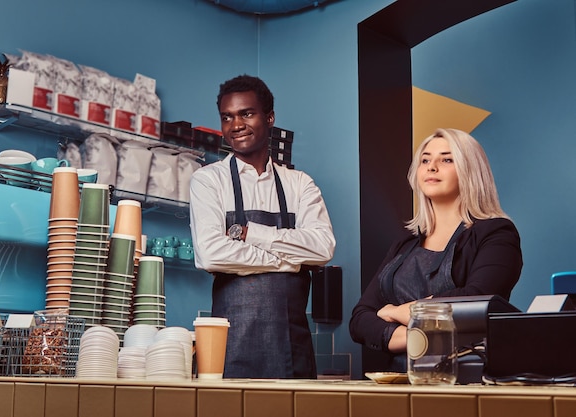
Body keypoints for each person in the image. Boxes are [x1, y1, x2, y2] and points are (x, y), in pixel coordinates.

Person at [189, 74, 336, 379]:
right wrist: (287, 260)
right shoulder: (208, 180)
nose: (236, 125)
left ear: (270, 118)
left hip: (292, 347)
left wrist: (253, 234)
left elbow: (323, 248)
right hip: (230, 346)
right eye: (227, 117)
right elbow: (211, 254)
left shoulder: (300, 184)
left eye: (247, 113)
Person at [349, 128, 523, 372]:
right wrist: (419, 339)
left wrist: (397, 311)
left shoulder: (497, 233)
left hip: (468, 380)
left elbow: (477, 301)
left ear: (470, 171)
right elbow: (360, 319)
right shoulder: (405, 243)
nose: (432, 167)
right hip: (399, 381)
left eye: (447, 159)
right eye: (425, 160)